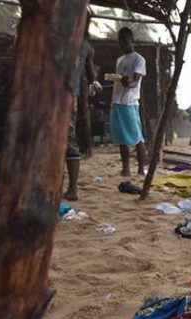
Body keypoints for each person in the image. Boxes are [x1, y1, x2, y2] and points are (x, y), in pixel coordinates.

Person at [64, 16, 102, 200]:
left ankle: (72, 189)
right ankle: (69, 188)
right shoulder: (81, 44)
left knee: (67, 140)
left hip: (66, 96)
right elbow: (91, 73)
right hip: (62, 95)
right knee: (64, 140)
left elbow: (91, 73)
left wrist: (94, 83)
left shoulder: (83, 45)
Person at [110, 27, 147, 176]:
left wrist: (128, 83)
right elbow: (118, 80)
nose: (122, 44)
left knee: (137, 137)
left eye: (125, 41)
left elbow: (135, 81)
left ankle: (140, 169)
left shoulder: (139, 59)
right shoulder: (119, 60)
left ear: (132, 41)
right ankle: (126, 168)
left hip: (130, 102)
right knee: (121, 138)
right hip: (117, 101)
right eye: (120, 41)